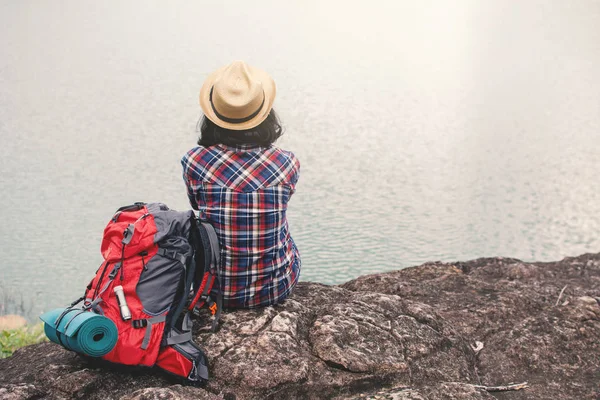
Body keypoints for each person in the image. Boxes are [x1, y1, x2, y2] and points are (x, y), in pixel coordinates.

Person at [181, 61, 301, 309]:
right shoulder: (287, 163)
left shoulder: (194, 161)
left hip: (213, 290)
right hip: (275, 289)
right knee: (283, 232)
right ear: (265, 115)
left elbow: (196, 204)